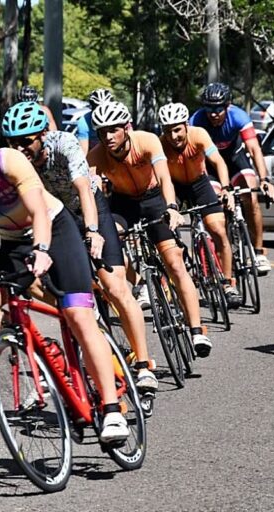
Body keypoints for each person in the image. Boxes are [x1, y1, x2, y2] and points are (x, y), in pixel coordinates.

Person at [0, 114, 129, 443]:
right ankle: (41, 348)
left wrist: (41, 249)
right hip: (12, 244)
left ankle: (111, 409)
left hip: (55, 230)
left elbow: (38, 211)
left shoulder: (8, 161)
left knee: (78, 315)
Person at [1, 101, 159, 392]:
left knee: (114, 285)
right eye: (13, 143)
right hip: (58, 220)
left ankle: (144, 364)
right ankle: (96, 353)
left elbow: (84, 189)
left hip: (88, 208)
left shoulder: (64, 144)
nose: (19, 148)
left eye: (25, 142)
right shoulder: (15, 163)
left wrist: (94, 231)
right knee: (70, 296)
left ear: (43, 135)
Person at [87, 101, 212, 358]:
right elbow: (90, 191)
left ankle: (197, 329)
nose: (108, 137)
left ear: (126, 127)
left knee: (174, 262)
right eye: (102, 132)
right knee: (114, 246)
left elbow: (165, 177)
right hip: (123, 205)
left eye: (113, 130)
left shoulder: (146, 141)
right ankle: (137, 286)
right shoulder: (96, 156)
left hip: (154, 199)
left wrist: (172, 207)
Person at [159, 101, 242, 308]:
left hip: (200, 184)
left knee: (217, 229)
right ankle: (183, 259)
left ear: (186, 125)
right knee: (166, 229)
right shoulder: (160, 144)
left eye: (177, 130)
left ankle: (227, 283)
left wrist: (226, 189)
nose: (173, 136)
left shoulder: (199, 135)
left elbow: (219, 162)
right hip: (175, 187)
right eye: (168, 131)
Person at [190, 82, 274, 275]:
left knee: (250, 198)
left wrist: (264, 179)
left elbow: (254, 149)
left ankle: (259, 251)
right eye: (209, 108)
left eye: (218, 108)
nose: (213, 114)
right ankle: (221, 251)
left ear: (227, 106)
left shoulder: (238, 116)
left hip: (236, 160)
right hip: (211, 165)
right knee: (215, 202)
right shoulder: (195, 120)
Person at [76, 88, 113, 154]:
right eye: (98, 110)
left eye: (106, 109)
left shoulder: (120, 119)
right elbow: (83, 154)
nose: (102, 114)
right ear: (92, 108)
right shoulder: (84, 122)